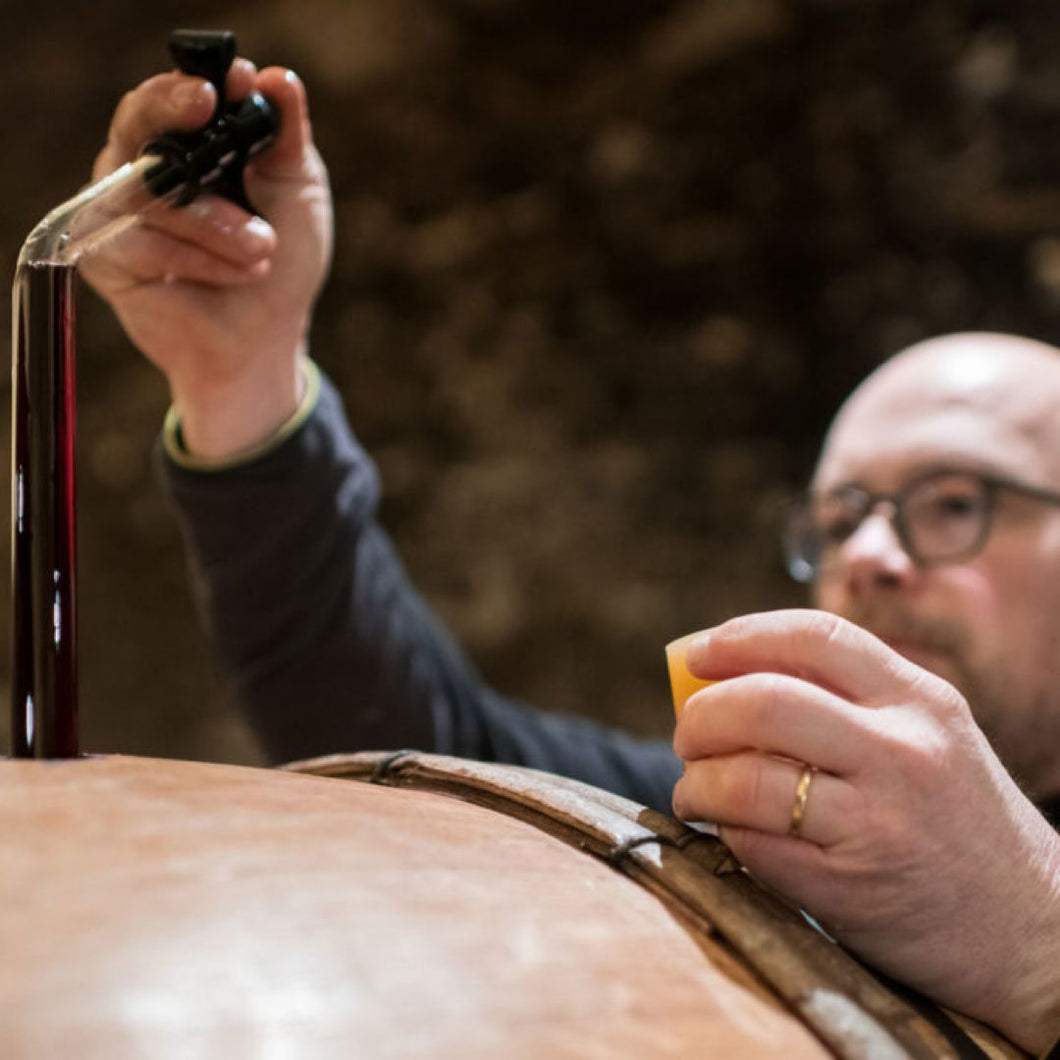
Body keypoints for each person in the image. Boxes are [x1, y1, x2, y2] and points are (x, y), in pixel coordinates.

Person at [82, 60, 1060, 1052]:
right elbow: (421, 747)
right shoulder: (754, 837)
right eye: (840, 518)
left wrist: (1035, 929)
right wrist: (241, 375)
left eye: (952, 502)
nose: (873, 555)